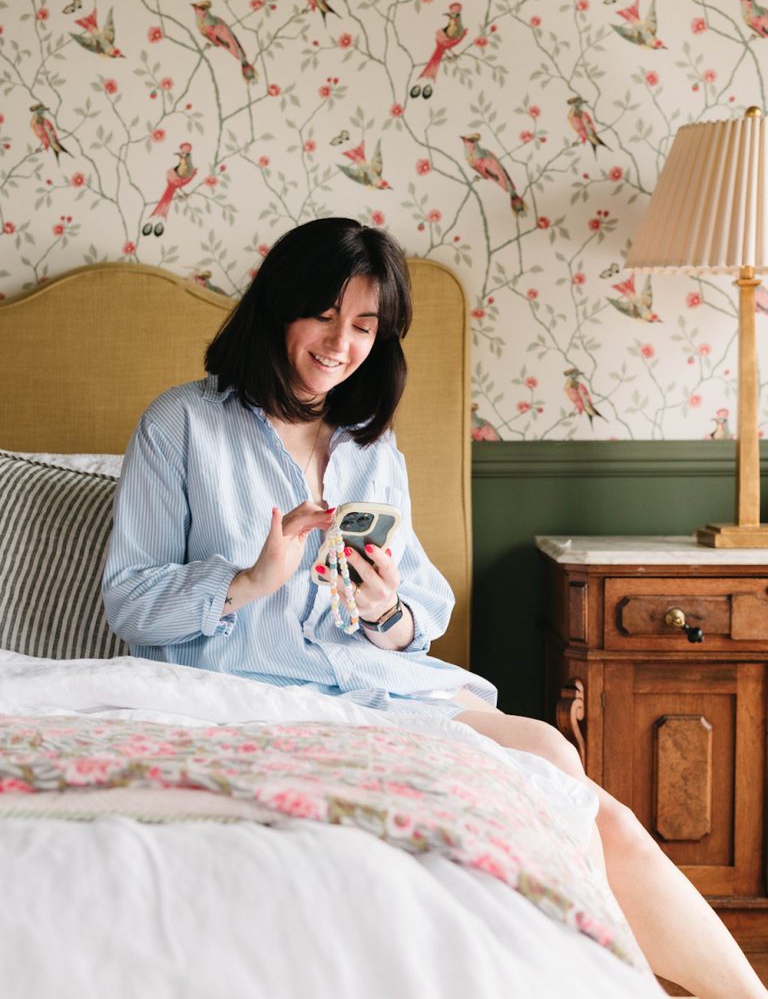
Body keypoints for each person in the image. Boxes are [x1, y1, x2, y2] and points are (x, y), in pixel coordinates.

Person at [103, 217, 766, 999]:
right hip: (246, 691)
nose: (339, 344)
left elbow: (418, 612)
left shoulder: (371, 446)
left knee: (556, 760)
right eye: (323, 315)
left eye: (362, 326)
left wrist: (386, 610)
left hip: (370, 689)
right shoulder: (180, 425)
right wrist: (248, 580)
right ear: (278, 307)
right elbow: (129, 602)